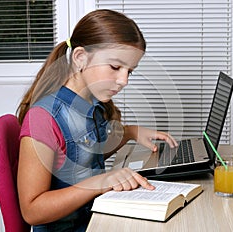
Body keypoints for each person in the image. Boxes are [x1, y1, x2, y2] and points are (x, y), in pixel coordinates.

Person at [16, 9, 178, 232]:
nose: (123, 81)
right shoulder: (43, 118)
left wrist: (131, 132)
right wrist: (100, 183)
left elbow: (86, 156)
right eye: (115, 67)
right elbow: (32, 211)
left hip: (96, 221)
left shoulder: (93, 105)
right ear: (81, 57)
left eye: (130, 71)